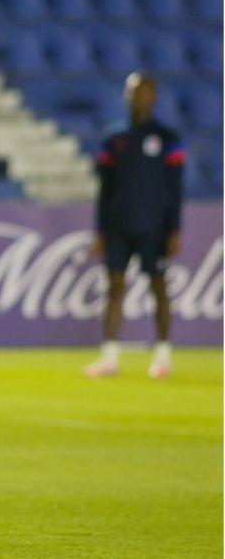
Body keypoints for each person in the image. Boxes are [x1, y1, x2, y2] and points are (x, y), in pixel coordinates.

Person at [84, 72, 185, 380]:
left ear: (153, 97)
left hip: (154, 228)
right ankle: (109, 358)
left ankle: (163, 357)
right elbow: (104, 191)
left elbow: (175, 189)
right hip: (118, 227)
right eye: (133, 91)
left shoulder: (167, 138)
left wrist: (174, 230)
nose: (138, 97)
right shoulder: (113, 139)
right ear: (126, 95)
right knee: (114, 288)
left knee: (158, 288)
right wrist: (100, 231)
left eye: (143, 91)